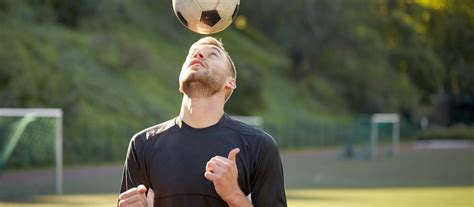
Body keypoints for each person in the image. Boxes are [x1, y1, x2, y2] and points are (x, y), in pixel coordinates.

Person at [118, 36, 287, 207]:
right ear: (180, 81)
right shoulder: (142, 144)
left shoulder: (260, 146)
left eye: (213, 54)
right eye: (193, 53)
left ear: (231, 82)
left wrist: (234, 195)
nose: (198, 55)